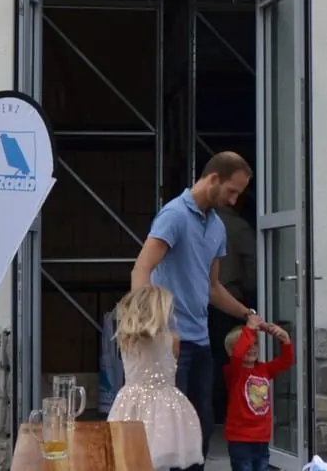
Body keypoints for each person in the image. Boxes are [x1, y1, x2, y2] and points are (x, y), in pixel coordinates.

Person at [131, 152, 261, 471]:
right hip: (170, 344)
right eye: (231, 191)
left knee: (200, 429)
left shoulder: (217, 226)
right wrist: (157, 329)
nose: (234, 200)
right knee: (169, 435)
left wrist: (246, 313)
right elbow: (141, 270)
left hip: (200, 343)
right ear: (213, 179)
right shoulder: (174, 215)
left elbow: (212, 287)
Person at [108, 286, 204, 471]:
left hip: (131, 403)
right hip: (164, 406)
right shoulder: (173, 339)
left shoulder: (125, 339)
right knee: (158, 457)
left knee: (131, 458)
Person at [223, 322, 294, 471]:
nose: (252, 348)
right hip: (240, 439)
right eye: (246, 345)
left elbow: (286, 361)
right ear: (232, 350)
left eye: (255, 344)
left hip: (262, 437)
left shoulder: (264, 369)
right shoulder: (234, 371)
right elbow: (238, 355)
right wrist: (250, 328)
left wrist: (285, 339)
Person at [210, 201, 256, 428]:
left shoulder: (204, 224)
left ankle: (213, 414)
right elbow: (253, 267)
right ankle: (230, 412)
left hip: (204, 304)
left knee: (210, 360)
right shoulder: (238, 227)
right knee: (231, 360)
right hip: (229, 301)